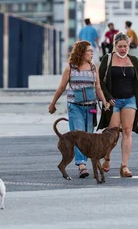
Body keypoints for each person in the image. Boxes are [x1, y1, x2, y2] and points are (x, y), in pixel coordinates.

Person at [48, 41, 110, 178]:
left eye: (92, 51)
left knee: (88, 136)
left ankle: (86, 162)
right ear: (81, 52)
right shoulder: (70, 68)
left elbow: (98, 87)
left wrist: (105, 102)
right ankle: (81, 165)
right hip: (75, 106)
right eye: (89, 51)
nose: (92, 53)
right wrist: (53, 104)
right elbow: (61, 87)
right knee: (79, 135)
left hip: (91, 107)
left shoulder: (94, 67)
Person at [98, 32, 138, 177]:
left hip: (130, 99)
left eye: (125, 46)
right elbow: (99, 82)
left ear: (128, 46)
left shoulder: (133, 60)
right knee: (113, 131)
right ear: (115, 46)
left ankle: (124, 166)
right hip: (114, 101)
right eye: (120, 46)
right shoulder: (107, 59)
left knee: (127, 130)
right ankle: (107, 157)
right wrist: (108, 97)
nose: (123, 49)